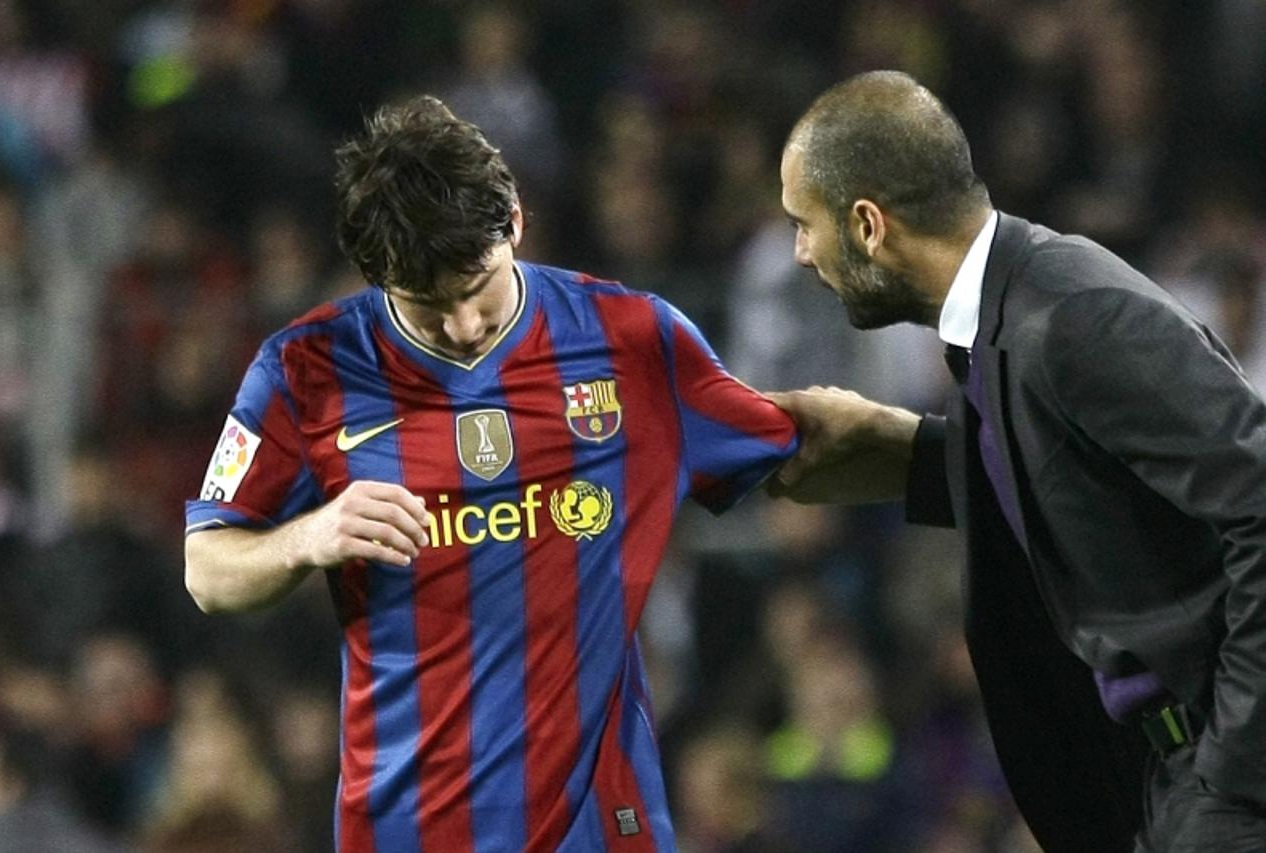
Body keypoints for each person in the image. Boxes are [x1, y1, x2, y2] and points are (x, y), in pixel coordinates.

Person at [183, 96, 797, 852]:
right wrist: (307, 537)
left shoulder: (631, 337)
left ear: (514, 219)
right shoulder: (303, 370)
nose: (465, 324)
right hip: (406, 829)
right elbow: (206, 569)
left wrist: (944, 454)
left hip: (601, 828)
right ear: (373, 275)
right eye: (428, 305)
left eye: (477, 286)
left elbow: (794, 446)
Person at [768, 70, 1266, 853]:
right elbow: (1090, 479)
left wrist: (1234, 782)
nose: (800, 252)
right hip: (1170, 779)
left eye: (804, 222)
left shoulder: (1072, 315)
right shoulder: (1003, 313)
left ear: (868, 225)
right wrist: (909, 455)